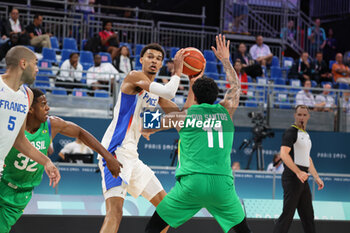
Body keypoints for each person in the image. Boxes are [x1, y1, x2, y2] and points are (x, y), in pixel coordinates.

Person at [143, 34, 251, 233]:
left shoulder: (183, 116)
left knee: (153, 229)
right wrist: (225, 60)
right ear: (216, 96)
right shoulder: (226, 111)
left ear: (196, 96)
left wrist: (147, 128)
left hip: (193, 184)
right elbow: (236, 88)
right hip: (222, 184)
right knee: (244, 231)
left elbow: (148, 125)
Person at [98, 43, 196, 233]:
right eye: (150, 56)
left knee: (167, 210)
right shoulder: (134, 76)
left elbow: (182, 118)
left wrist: (192, 83)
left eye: (159, 59)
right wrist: (178, 71)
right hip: (115, 150)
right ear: (141, 60)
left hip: (132, 156)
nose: (154, 61)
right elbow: (169, 91)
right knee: (115, 213)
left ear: (160, 65)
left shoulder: (155, 93)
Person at [0, 88, 122, 232]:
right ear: (31, 109)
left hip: (21, 194)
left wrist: (107, 156)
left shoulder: (52, 125)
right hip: (3, 182)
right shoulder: (11, 124)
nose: (48, 108)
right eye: (43, 104)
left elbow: (80, 132)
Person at [0, 45, 60, 190]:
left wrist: (46, 161)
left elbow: (19, 139)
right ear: (23, 63)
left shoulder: (27, 95)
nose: (37, 69)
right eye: (35, 64)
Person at [273, 105, 324, 233]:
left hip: (303, 179)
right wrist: (298, 172)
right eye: (299, 114)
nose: (302, 117)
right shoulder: (291, 132)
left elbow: (308, 159)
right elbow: (284, 154)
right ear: (295, 116)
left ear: (308, 117)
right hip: (292, 178)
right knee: (287, 216)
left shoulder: (305, 135)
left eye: (304, 115)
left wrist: (316, 177)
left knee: (308, 217)